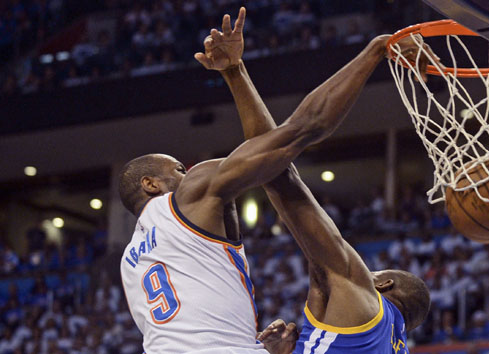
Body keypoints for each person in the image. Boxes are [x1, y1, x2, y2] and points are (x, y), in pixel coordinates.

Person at [119, 7, 426, 354]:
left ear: (382, 285)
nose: (187, 173)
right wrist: (373, 52)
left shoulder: (130, 261)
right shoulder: (194, 195)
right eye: (178, 170)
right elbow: (289, 146)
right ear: (150, 184)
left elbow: (281, 170)